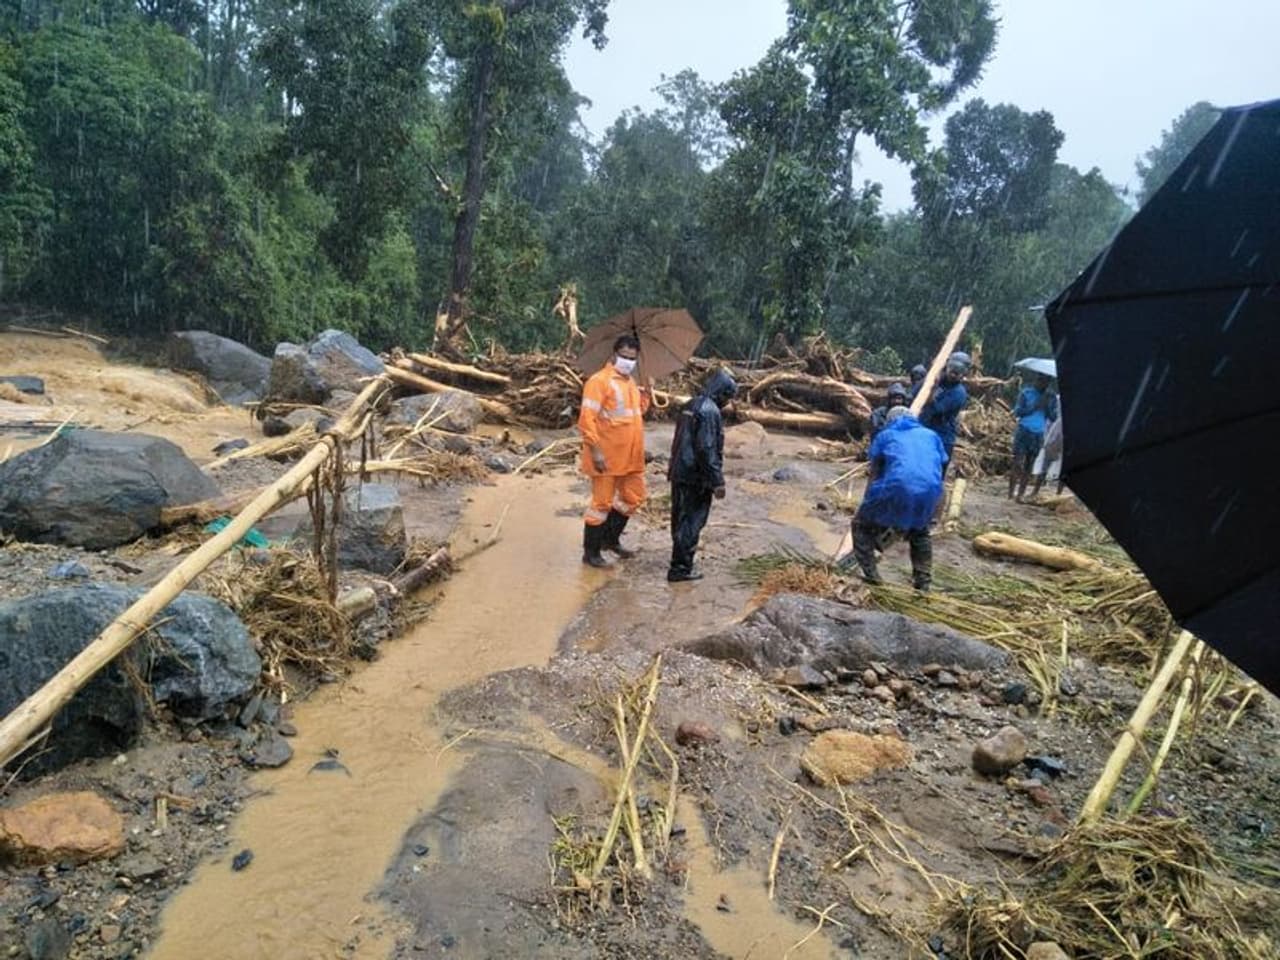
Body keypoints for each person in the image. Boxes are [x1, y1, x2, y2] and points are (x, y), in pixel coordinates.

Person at [843, 406, 947, 591]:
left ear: (890, 421)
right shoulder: (931, 435)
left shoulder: (886, 435)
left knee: (861, 526)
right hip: (931, 489)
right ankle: (923, 583)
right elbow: (938, 467)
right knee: (920, 532)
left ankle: (873, 578)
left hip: (898, 486)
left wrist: (867, 504)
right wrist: (937, 506)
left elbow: (875, 473)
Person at [578, 334, 651, 568]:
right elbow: (586, 419)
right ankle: (591, 553)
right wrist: (596, 452)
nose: (628, 361)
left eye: (632, 358)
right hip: (606, 456)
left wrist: (647, 394)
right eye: (624, 356)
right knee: (601, 504)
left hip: (630, 456)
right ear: (614, 354)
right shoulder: (599, 381)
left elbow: (634, 414)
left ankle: (610, 540)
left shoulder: (630, 383)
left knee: (634, 497)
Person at [667, 369, 738, 582]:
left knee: (679, 518)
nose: (728, 402)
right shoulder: (710, 412)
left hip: (679, 471)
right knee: (692, 522)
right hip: (696, 477)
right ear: (722, 393)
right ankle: (680, 569)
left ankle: (678, 561)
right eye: (728, 396)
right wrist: (717, 481)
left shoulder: (689, 404)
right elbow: (706, 448)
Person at [1009, 373, 1059, 502]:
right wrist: (1035, 405)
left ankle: (1021, 494)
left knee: (1029, 465)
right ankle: (1011, 493)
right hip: (1024, 430)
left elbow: (1053, 417)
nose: (1042, 383)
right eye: (1040, 380)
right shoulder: (1026, 393)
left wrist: (1047, 405)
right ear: (1036, 380)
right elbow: (1018, 412)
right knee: (1017, 462)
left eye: (1046, 381)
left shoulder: (1051, 397)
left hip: (1038, 433)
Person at [919, 352, 970, 473]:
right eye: (951, 371)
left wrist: (931, 389)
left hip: (942, 437)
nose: (952, 375)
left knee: (935, 472)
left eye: (957, 373)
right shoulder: (938, 379)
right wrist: (930, 378)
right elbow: (915, 392)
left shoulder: (959, 393)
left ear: (963, 374)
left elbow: (936, 409)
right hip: (923, 430)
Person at [1030, 411, 1065, 499]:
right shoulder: (1060, 422)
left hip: (1058, 446)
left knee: (1063, 473)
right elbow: (1052, 435)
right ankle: (1035, 491)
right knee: (1044, 469)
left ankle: (1058, 494)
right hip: (1053, 445)